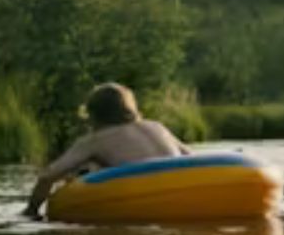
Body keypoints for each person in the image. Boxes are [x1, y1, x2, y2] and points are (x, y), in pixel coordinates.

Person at [22, 82, 188, 219]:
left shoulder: (94, 140)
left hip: (143, 197)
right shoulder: (156, 126)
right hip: (183, 190)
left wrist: (31, 212)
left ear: (93, 114)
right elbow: (188, 157)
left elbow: (47, 176)